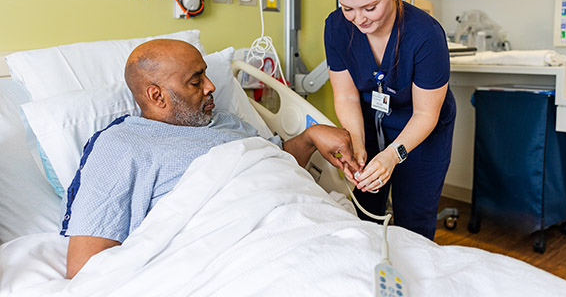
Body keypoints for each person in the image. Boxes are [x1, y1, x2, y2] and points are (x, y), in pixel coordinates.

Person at [61, 39, 359, 279]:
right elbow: (86, 267)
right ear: (156, 96)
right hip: (231, 254)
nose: (211, 86)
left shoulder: (225, 121)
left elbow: (273, 165)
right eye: (195, 81)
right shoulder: (121, 145)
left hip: (305, 223)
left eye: (205, 73)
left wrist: (310, 136)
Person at [324, 0, 456, 240]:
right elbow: (346, 96)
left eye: (369, 7)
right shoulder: (337, 28)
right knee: (364, 213)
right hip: (369, 122)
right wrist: (357, 143)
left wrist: (393, 155)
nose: (359, 19)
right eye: (348, 8)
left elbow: (426, 113)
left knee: (413, 223)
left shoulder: (425, 36)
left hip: (422, 130)